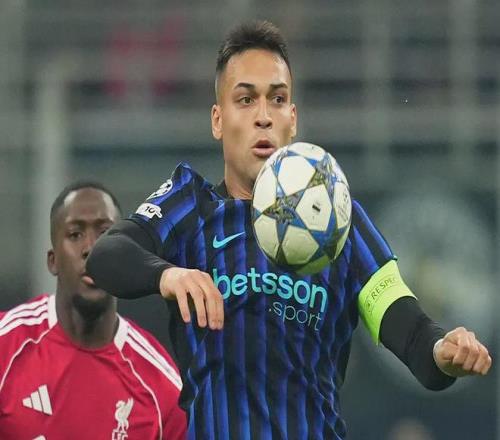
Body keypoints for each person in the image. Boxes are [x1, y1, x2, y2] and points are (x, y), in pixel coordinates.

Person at [87, 21, 492, 440]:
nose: (264, 117)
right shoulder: (192, 207)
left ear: (293, 119)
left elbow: (407, 328)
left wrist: (442, 351)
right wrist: (168, 274)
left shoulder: (339, 220)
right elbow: (108, 254)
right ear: (218, 120)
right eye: (245, 100)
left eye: (277, 100)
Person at [0, 182, 186, 439]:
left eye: (105, 234)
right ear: (53, 261)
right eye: (75, 234)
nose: (91, 248)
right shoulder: (6, 346)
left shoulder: (162, 388)